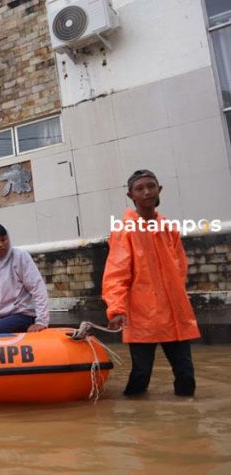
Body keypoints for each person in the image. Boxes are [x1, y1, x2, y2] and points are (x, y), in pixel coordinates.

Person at [102, 169, 200, 397]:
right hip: (142, 315)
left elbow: (180, 268)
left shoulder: (169, 228)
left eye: (151, 186)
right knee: (141, 374)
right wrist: (116, 310)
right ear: (131, 196)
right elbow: (116, 273)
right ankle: (136, 413)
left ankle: (187, 413)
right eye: (140, 188)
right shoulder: (124, 230)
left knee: (186, 374)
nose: (147, 192)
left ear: (159, 190)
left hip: (175, 313)